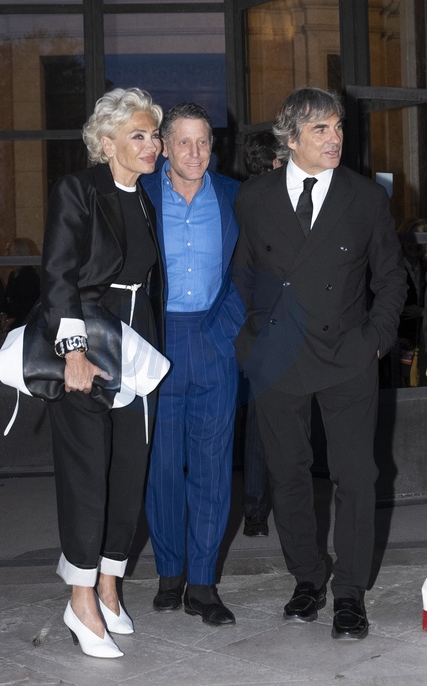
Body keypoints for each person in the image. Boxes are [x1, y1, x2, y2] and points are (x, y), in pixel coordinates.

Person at [233, 86, 407, 640]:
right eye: (321, 130)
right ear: (291, 139)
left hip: (347, 353)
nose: (336, 139)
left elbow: (392, 277)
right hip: (278, 354)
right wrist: (251, 340)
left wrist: (375, 340)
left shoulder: (365, 197)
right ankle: (307, 578)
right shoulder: (254, 197)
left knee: (356, 475)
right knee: (287, 473)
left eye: (338, 127)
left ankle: (350, 592)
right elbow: (243, 273)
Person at [40, 87, 165, 658]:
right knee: (87, 475)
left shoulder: (144, 198)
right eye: (138, 135)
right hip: (88, 343)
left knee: (128, 471)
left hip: (137, 347)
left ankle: (110, 587)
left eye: (153, 135)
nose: (151, 145)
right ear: (106, 142)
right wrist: (72, 352)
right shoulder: (79, 189)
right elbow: (59, 273)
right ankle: (81, 598)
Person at [141, 102, 244, 626]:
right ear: (164, 146)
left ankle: (202, 583)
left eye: (203, 141)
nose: (195, 152)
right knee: (161, 469)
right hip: (156, 342)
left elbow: (254, 269)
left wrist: (227, 329)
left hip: (213, 339)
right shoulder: (139, 194)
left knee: (211, 468)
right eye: (183, 141)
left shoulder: (234, 196)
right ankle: (170, 572)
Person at [241, 131, 283, 537]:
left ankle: (255, 509)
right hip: (273, 323)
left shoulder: (236, 200)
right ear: (275, 162)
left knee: (256, 418)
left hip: (247, 322)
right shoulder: (275, 202)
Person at [395, 218, 427, 387]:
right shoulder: (392, 268)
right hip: (398, 342)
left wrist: (422, 312)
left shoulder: (425, 267)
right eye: (412, 237)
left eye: (421, 238)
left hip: (422, 343)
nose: (415, 244)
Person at [0, 237, 41, 345]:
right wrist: (4, 314)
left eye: (9, 252)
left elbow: (26, 304)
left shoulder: (29, 275)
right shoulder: (13, 275)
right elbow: (7, 299)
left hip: (24, 325)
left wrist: (10, 320)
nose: (6, 255)